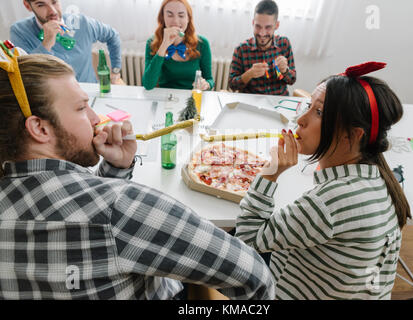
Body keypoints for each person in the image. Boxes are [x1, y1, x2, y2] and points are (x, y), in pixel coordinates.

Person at [0, 51, 274, 300]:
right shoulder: (123, 208)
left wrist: (116, 170)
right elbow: (257, 278)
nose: (97, 118)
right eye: (82, 108)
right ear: (39, 128)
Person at [235, 62, 411, 299]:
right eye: (308, 106)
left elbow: (246, 243)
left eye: (319, 113)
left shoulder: (329, 203)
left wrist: (270, 172)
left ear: (352, 135)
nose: (300, 120)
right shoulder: (382, 179)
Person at [10, 0, 123, 84]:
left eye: (54, 2)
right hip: (51, 99)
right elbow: (29, 74)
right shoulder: (19, 31)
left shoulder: (83, 23)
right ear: (27, 5)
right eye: (41, 5)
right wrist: (46, 43)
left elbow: (113, 36)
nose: (52, 11)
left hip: (89, 91)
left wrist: (116, 70)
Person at [142, 0, 214, 91]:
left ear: (188, 18)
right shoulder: (152, 43)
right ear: (163, 17)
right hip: (165, 98)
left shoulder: (202, 44)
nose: (175, 21)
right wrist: (164, 45)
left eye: (181, 15)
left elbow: (210, 80)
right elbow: (148, 85)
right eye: (170, 15)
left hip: (191, 98)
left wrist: (206, 84)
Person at [228, 0, 296, 95]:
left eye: (268, 27)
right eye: (258, 26)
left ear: (276, 25)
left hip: (279, 102)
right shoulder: (241, 50)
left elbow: (291, 81)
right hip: (252, 103)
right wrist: (249, 74)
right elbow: (232, 86)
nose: (262, 33)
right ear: (253, 23)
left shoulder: (284, 44)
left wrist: (285, 71)